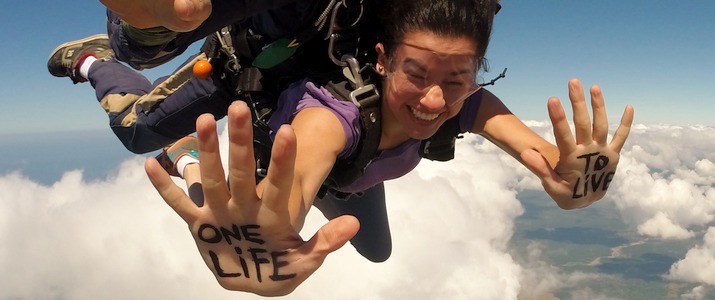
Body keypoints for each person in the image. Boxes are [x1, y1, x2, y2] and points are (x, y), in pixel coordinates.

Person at [138, 0, 633, 296]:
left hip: (352, 184)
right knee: (138, 132)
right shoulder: (335, 117)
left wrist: (571, 184)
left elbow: (546, 159)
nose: (435, 100)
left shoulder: (468, 102)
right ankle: (162, 134)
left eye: (457, 79)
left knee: (377, 251)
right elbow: (306, 164)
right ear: (382, 60)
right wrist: (273, 232)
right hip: (337, 172)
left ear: (475, 73)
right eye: (415, 75)